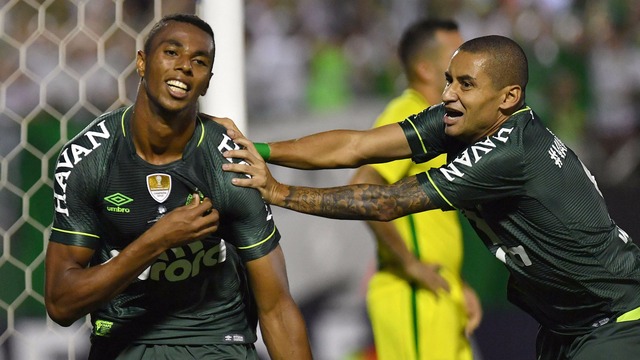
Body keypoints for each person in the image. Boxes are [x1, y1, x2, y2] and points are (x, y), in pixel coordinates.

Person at [219, 35, 640, 360]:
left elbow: (387, 202)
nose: (447, 95)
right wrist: (261, 150)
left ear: (508, 98)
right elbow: (357, 147)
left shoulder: (511, 153)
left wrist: (277, 191)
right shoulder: (465, 121)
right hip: (566, 327)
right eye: (449, 80)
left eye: (466, 84)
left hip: (616, 322)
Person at [45, 13, 312, 360]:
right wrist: (157, 240)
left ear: (207, 82)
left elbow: (276, 307)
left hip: (218, 342)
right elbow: (60, 303)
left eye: (199, 61)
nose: (185, 66)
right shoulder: (87, 158)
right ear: (142, 62)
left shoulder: (230, 164)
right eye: (172, 52)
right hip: (125, 343)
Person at [347, 19, 481, 360]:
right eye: (455, 55)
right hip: (412, 291)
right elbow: (363, 184)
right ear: (424, 67)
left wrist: (457, 283)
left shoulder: (441, 121)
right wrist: (409, 264)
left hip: (438, 290)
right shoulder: (407, 112)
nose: (466, 62)